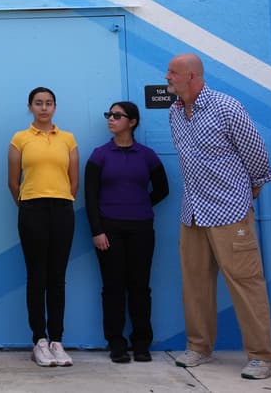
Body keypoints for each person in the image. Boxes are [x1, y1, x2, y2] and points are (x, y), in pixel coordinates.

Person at [165, 53, 271, 380]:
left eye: (173, 73)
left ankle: (262, 356)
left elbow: (256, 153)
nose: (167, 77)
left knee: (245, 283)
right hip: (193, 213)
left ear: (191, 76)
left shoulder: (226, 107)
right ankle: (199, 347)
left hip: (229, 211)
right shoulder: (175, 112)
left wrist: (250, 190)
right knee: (195, 284)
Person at [84, 101, 169, 363]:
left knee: (140, 287)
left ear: (132, 122)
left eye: (117, 115)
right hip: (109, 229)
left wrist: (140, 205)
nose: (111, 119)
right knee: (113, 287)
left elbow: (162, 189)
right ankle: (116, 342)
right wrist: (97, 231)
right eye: (108, 114)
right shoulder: (99, 155)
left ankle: (141, 343)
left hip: (141, 228)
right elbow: (90, 197)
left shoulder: (147, 155)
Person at [7, 87, 78, 367]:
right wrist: (27, 205)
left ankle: (57, 341)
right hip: (32, 210)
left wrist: (62, 199)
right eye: (38, 103)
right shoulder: (20, 139)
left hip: (62, 209)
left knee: (57, 277)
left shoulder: (68, 139)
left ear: (55, 107)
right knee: (36, 276)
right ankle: (39, 339)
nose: (44, 108)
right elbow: (13, 182)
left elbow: (74, 181)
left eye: (49, 103)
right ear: (30, 107)